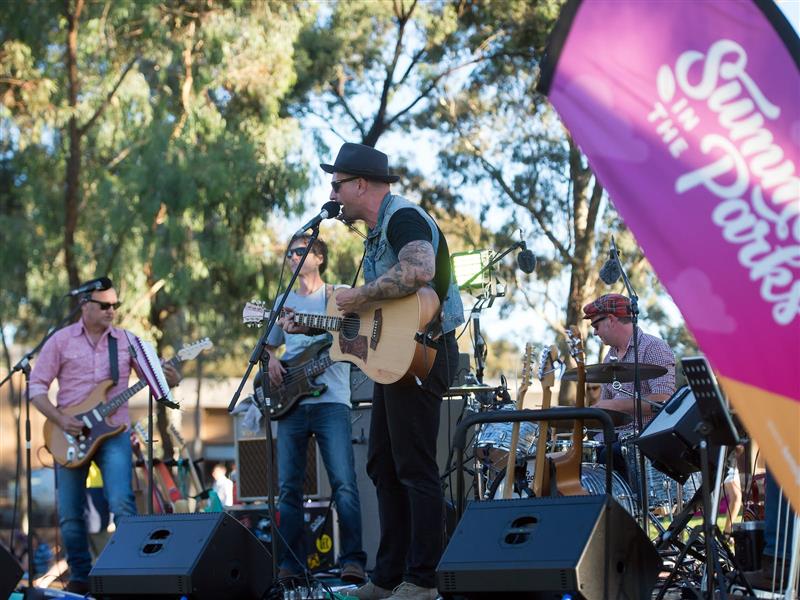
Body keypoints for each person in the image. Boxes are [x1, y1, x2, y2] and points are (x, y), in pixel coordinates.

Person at [319, 143, 464, 600]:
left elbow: (419, 270)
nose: (333, 193)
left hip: (426, 354)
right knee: (383, 463)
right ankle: (387, 576)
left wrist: (359, 296)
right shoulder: (377, 232)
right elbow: (382, 318)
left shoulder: (403, 217)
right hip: (396, 360)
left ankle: (424, 579)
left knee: (414, 466)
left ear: (360, 184)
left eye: (337, 184)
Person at [29, 277, 181, 594]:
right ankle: (81, 578)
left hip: (114, 432)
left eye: (116, 305)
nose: (112, 310)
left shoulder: (126, 341)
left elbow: (155, 383)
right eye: (105, 305)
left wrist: (169, 377)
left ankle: (129, 573)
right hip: (67, 434)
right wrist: (61, 418)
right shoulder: (61, 340)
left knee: (123, 504)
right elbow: (36, 388)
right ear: (85, 305)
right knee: (70, 514)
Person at [267, 235, 367, 583]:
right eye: (289, 253)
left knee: (344, 484)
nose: (291, 258)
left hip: (332, 401)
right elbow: (268, 346)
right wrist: (270, 362)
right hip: (292, 402)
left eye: (298, 252)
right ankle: (291, 566)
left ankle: (353, 560)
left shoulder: (338, 295)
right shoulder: (283, 300)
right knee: (289, 489)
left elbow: (356, 336)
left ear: (318, 256)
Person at [582, 293, 676, 482]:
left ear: (611, 319)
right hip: (616, 438)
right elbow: (606, 404)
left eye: (595, 325)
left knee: (606, 455)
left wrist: (616, 406)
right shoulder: (609, 358)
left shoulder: (653, 348)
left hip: (646, 441)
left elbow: (664, 400)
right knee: (582, 457)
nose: (594, 332)